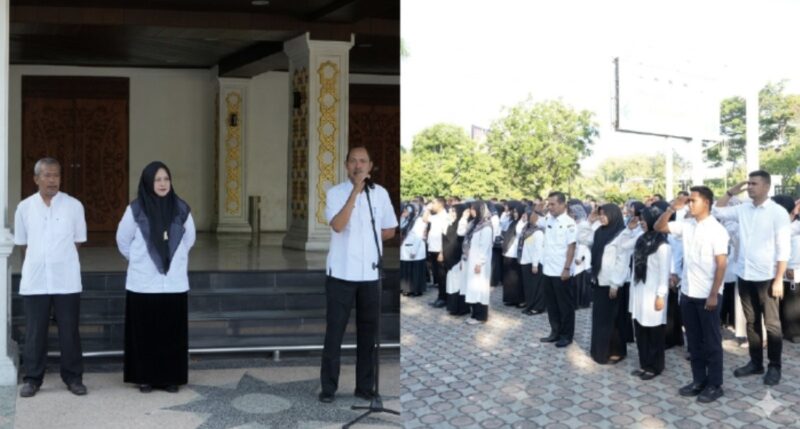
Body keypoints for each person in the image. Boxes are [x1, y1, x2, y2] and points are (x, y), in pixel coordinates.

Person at [319, 146, 398, 403]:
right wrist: (355, 193)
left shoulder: (380, 193)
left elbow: (390, 229)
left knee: (368, 335)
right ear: (346, 166)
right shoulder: (335, 193)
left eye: (363, 161)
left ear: (370, 166)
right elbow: (338, 225)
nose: (358, 165)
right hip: (341, 274)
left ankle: (364, 387)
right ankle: (328, 388)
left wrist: (368, 238)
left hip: (370, 274)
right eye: (353, 161)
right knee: (334, 333)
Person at [116, 161, 195, 393]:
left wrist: (171, 258)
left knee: (171, 333)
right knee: (145, 333)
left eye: (166, 179)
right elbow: (123, 241)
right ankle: (145, 378)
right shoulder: (136, 209)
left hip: (173, 283)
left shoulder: (181, 208)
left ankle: (171, 378)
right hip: (143, 283)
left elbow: (189, 240)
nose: (162, 184)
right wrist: (140, 260)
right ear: (148, 182)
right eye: (157, 179)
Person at [14, 157, 88, 398]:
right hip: (35, 280)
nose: (52, 180)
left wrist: (59, 261)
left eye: (56, 175)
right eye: (47, 175)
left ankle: (73, 378)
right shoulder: (24, 207)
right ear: (36, 179)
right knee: (35, 332)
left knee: (69, 331)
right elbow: (23, 244)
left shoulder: (74, 206)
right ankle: (32, 379)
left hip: (66, 279)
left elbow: (78, 241)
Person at [713, 171, 791, 386]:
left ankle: (774, 366)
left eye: (754, 184)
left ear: (766, 186)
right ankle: (756, 363)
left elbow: (783, 248)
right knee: (751, 321)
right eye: (748, 183)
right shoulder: (743, 209)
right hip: (745, 274)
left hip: (767, 277)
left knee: (772, 325)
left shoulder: (777, 212)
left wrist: (778, 279)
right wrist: (731, 191)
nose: (749, 187)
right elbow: (717, 211)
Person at [655, 186, 728, 403]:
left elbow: (721, 264)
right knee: (694, 342)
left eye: (693, 200)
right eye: (688, 201)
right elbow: (659, 227)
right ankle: (699, 380)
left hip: (708, 295)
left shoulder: (717, 230)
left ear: (706, 203)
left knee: (711, 342)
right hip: (688, 293)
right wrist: (671, 208)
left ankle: (715, 384)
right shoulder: (687, 225)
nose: (689, 204)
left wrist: (713, 294)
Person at [588, 204, 640, 364]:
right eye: (600, 214)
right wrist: (589, 222)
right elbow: (583, 239)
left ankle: (616, 351)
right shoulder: (599, 231)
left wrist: (615, 284)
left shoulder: (621, 233)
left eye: (605, 214)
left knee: (614, 320)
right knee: (600, 318)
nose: (602, 217)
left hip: (613, 284)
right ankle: (600, 351)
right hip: (600, 280)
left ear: (614, 215)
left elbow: (622, 260)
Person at [629, 206, 671, 380]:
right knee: (640, 330)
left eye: (645, 219)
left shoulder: (662, 245)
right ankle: (644, 364)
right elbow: (627, 256)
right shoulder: (640, 239)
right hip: (639, 291)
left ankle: (655, 367)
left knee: (654, 332)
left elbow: (664, 273)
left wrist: (661, 295)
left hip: (653, 294)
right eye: (641, 219)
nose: (642, 222)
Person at [538, 192, 577, 348]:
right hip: (548, 269)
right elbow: (534, 221)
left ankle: (566, 336)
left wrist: (567, 268)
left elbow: (571, 247)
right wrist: (537, 209)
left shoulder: (569, 223)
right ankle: (555, 332)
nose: (550, 207)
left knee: (565, 306)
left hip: (562, 271)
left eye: (553, 204)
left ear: (562, 205)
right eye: (549, 204)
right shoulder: (549, 219)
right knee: (552, 305)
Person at [462, 201, 494, 324]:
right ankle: (474, 314)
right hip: (471, 261)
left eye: (474, 209)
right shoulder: (474, 224)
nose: (472, 211)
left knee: (479, 288)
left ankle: (481, 316)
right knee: (472, 288)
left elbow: (484, 247)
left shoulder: (486, 226)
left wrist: (479, 263)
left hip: (479, 264)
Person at [444, 203, 470, 315]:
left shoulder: (463, 225)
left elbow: (461, 240)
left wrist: (463, 219)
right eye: (451, 211)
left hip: (458, 260)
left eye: (454, 211)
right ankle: (453, 307)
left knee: (459, 284)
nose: (452, 213)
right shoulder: (452, 224)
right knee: (452, 284)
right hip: (450, 260)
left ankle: (461, 308)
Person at [520, 209, 546, 315]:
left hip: (534, 263)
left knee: (536, 287)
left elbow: (537, 249)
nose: (529, 217)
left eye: (530, 216)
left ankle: (537, 307)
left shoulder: (538, 232)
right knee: (529, 287)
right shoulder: (527, 229)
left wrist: (535, 264)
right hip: (526, 261)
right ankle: (530, 305)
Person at [425, 197, 449, 308]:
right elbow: (425, 219)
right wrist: (427, 209)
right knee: (438, 276)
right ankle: (440, 297)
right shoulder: (435, 216)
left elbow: (445, 236)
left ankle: (443, 298)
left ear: (440, 204)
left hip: (440, 250)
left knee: (442, 275)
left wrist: (442, 252)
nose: (432, 204)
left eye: (434, 203)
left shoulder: (445, 217)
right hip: (433, 249)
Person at [569, 202, 593, 309]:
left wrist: (579, 257)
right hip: (576, 254)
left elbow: (584, 242)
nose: (571, 214)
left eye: (572, 212)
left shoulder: (583, 224)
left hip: (582, 255)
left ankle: (580, 302)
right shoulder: (577, 223)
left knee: (580, 280)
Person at [400, 202, 426, 296]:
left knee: (415, 271)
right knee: (407, 270)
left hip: (415, 249)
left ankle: (416, 290)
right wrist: (403, 217)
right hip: (405, 249)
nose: (404, 212)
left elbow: (419, 237)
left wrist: (414, 251)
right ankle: (406, 289)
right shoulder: (406, 220)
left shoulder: (419, 221)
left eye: (406, 211)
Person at [501, 201, 525, 306]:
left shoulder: (523, 223)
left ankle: (519, 299)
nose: (515, 214)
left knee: (517, 279)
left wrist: (522, 220)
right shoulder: (512, 222)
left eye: (516, 212)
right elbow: (502, 226)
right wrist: (506, 214)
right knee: (509, 278)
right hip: (508, 252)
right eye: (514, 212)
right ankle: (510, 298)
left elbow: (520, 232)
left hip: (517, 254)